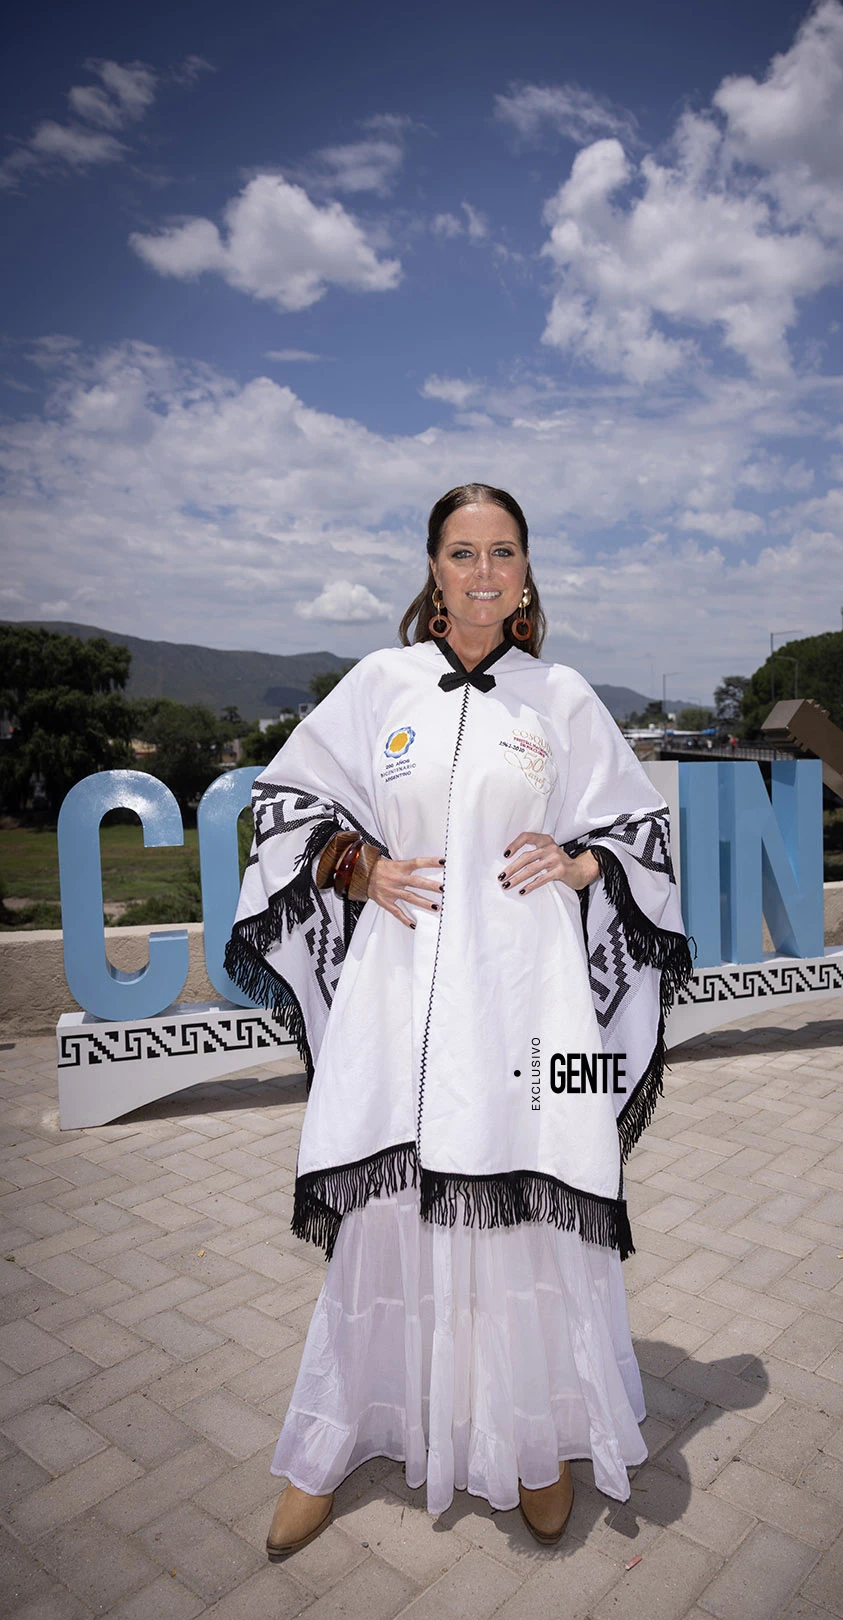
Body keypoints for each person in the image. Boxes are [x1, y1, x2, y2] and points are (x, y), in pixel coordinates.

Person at [226, 483, 693, 1555]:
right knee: (387, 1209)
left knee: (526, 1201)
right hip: (399, 992)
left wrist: (578, 860)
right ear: (433, 570)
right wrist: (356, 864)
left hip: (526, 1000)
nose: (484, 572)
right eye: (462, 553)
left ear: (526, 574)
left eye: (502, 553)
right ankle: (336, 1435)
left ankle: (535, 1443)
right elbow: (284, 802)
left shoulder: (560, 696)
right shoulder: (379, 684)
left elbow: (641, 830)